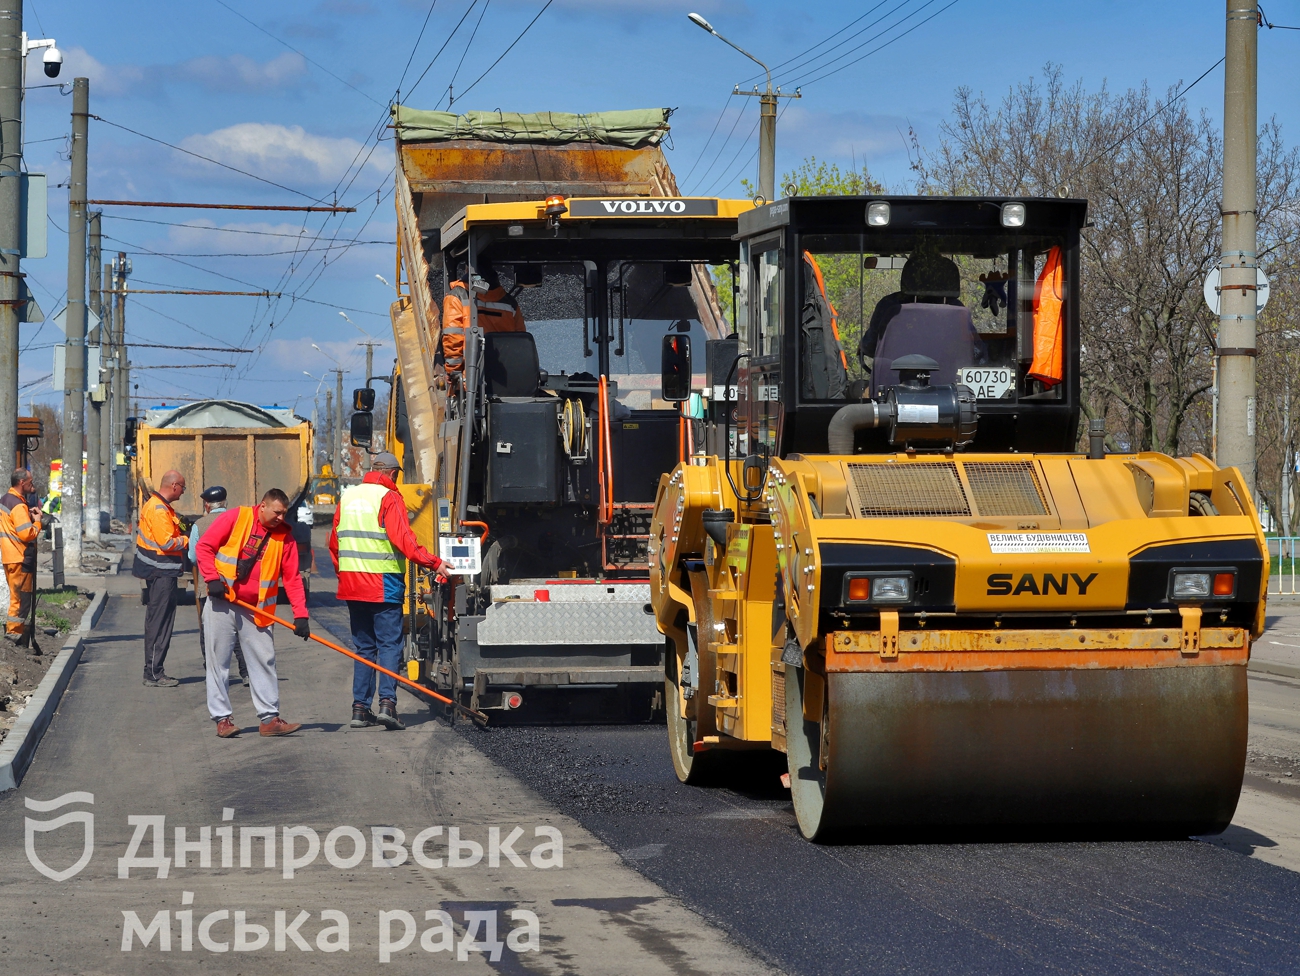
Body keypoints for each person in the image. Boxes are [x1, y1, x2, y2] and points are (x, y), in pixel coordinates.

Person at [329, 452, 444, 731]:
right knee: (389, 645)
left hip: (352, 585)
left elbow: (334, 544)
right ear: (393, 474)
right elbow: (404, 540)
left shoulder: (348, 497)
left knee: (364, 648)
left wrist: (345, 575)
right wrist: (436, 563)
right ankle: (388, 706)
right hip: (383, 585)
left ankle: (359, 710)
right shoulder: (388, 497)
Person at [196, 488, 309, 738]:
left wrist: (301, 615)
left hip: (256, 610)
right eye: (277, 512)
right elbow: (204, 547)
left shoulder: (285, 540)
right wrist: (212, 579)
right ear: (263, 506)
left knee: (264, 660)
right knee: (218, 662)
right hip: (222, 601)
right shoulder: (237, 518)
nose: (281, 518)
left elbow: (292, 579)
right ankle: (222, 720)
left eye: (284, 513)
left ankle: (269, 719)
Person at [189, 485, 249, 684]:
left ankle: (212, 672)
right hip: (236, 585)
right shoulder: (239, 522)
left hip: (208, 586)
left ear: (207, 505)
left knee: (208, 631)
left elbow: (192, 556)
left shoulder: (199, 524)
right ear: (226, 503)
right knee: (239, 629)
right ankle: (246, 672)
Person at [133, 469, 189, 687]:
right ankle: (154, 673)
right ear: (174, 486)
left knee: (158, 621)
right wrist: (187, 540)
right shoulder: (158, 509)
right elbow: (166, 542)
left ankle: (154, 671)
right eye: (182, 487)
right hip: (161, 573)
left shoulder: (161, 507)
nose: (183, 492)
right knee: (160, 623)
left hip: (160, 572)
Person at [440, 255, 526, 372]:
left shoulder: (456, 297)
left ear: (467, 269)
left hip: (471, 380)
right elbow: (521, 344)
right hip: (507, 379)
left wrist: (453, 373)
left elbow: (453, 339)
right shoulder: (510, 304)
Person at [0, 469, 41, 643]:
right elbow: (26, 534)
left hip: (10, 556)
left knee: (15, 597)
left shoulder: (5, 500)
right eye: (30, 481)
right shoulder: (18, 505)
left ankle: (13, 633)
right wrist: (37, 521)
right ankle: (14, 635)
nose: (32, 484)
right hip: (21, 557)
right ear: (22, 482)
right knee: (21, 600)